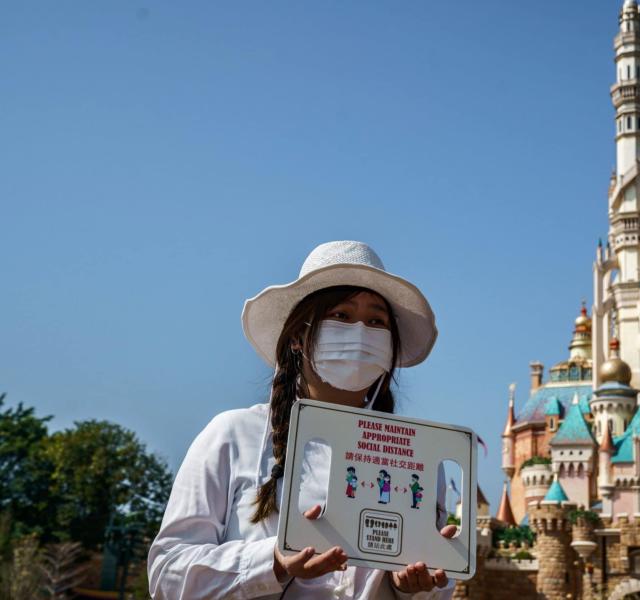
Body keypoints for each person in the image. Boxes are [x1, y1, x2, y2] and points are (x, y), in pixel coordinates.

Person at [148, 241, 456, 599]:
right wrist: (273, 563)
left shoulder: (418, 460)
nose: (359, 331)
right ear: (298, 335)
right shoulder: (233, 435)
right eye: (341, 315)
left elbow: (435, 584)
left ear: (389, 347)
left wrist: (409, 588)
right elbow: (167, 573)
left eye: (376, 321)